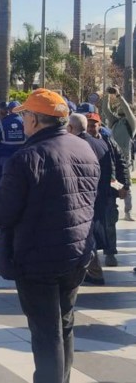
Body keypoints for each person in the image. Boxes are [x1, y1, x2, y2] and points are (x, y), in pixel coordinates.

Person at [0, 89, 98, 383]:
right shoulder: (84, 148)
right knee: (64, 324)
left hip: (39, 259)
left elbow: (3, 211)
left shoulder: (27, 157)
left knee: (46, 333)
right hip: (76, 253)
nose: (24, 122)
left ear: (34, 119)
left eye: (26, 116)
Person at [82, 112, 128, 277]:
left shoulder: (108, 142)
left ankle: (110, 252)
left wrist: (123, 187)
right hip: (88, 191)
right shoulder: (81, 142)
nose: (91, 127)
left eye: (94, 124)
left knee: (109, 221)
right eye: (88, 124)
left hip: (108, 189)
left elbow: (120, 165)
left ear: (99, 125)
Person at [100, 85, 136, 221]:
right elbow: (105, 110)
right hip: (112, 158)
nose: (120, 109)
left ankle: (128, 211)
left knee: (127, 186)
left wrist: (119, 96)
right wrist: (107, 95)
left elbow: (127, 110)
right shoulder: (115, 122)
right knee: (113, 182)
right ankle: (113, 205)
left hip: (125, 160)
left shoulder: (131, 124)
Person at [0, 100, 25, 188]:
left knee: (6, 179)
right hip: (22, 156)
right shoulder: (25, 121)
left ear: (9, 110)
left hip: (5, 156)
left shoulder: (1, 122)